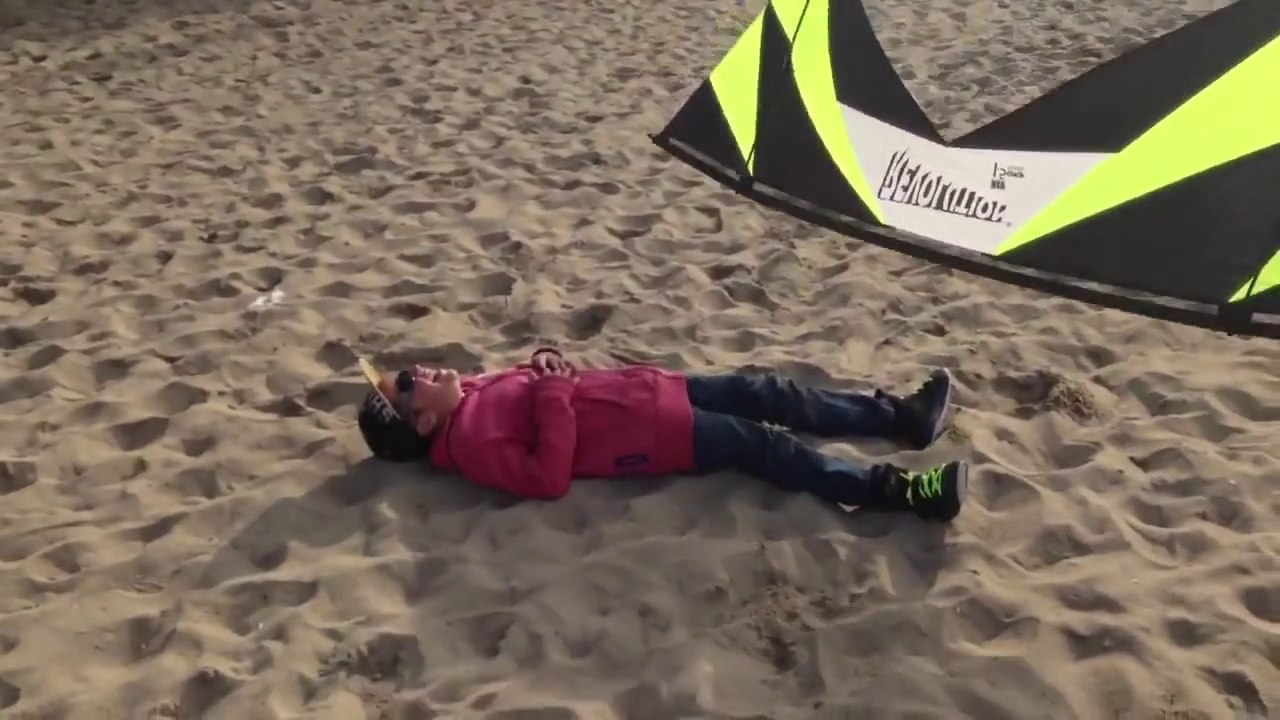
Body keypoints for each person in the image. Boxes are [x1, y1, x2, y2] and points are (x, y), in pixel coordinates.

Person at [356, 347, 968, 522]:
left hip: (651, 391)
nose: (420, 368)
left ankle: (898, 419)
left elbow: (542, 381)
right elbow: (547, 478)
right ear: (424, 423)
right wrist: (551, 392)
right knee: (768, 446)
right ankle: (902, 492)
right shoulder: (470, 445)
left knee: (772, 393)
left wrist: (543, 364)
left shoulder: (471, 393)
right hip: (653, 433)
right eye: (407, 382)